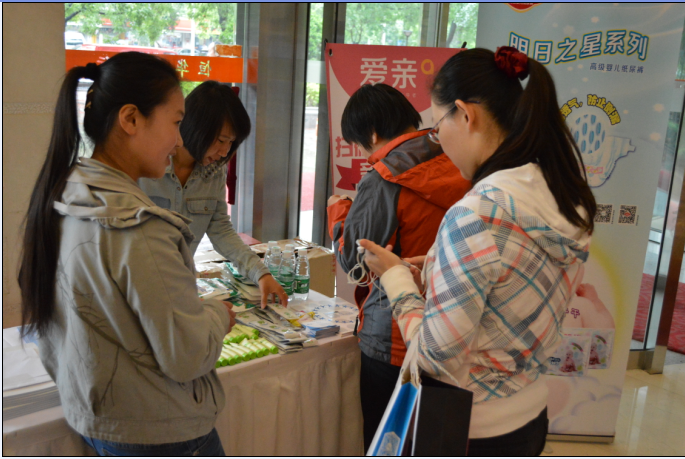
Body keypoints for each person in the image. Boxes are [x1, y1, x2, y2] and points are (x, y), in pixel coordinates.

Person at [359, 47, 597, 456]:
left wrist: (396, 278)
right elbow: (512, 279)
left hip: (468, 427)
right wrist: (441, 264)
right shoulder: (565, 195)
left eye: (438, 127)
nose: (438, 141)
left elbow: (434, 358)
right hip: (529, 415)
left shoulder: (476, 214)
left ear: (466, 115)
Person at [18, 52, 233, 456]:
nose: (179, 140)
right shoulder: (140, 227)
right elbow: (187, 355)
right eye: (175, 122)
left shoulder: (66, 195)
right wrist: (219, 314)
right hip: (160, 428)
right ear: (131, 119)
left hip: (97, 412)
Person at [326, 83, 471, 451]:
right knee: (432, 442)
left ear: (373, 134)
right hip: (455, 324)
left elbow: (355, 259)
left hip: (393, 334)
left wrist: (338, 213)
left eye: (361, 145)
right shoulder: (461, 159)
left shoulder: (384, 179)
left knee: (385, 441)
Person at [139, 81, 287, 307]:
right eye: (221, 140)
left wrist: (261, 273)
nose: (225, 152)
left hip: (180, 286)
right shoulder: (145, 164)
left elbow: (221, 230)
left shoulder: (214, 171)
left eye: (231, 143)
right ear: (196, 127)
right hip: (137, 286)